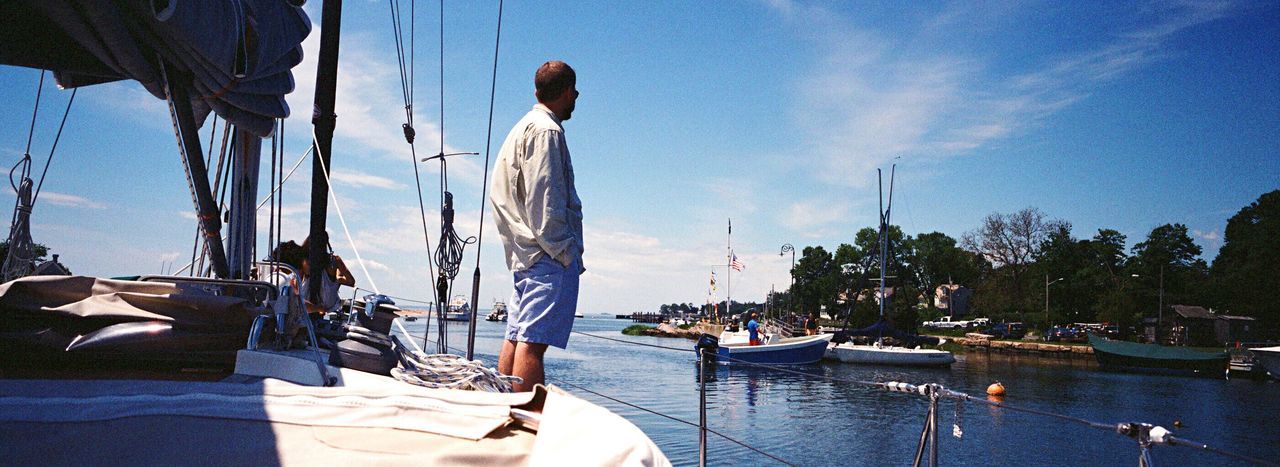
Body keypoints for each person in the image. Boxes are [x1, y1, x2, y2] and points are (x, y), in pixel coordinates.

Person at [490, 60, 583, 394]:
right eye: (574, 91)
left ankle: (504, 406)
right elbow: (546, 199)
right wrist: (565, 252)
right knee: (533, 342)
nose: (577, 97)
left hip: (523, 253)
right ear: (567, 91)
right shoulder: (547, 131)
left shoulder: (522, 127)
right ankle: (529, 420)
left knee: (516, 336)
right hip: (545, 254)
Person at [296, 236, 355, 316]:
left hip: (306, 308)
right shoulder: (334, 261)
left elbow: (297, 285)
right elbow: (351, 281)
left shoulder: (303, 260)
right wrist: (338, 278)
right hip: (328, 308)